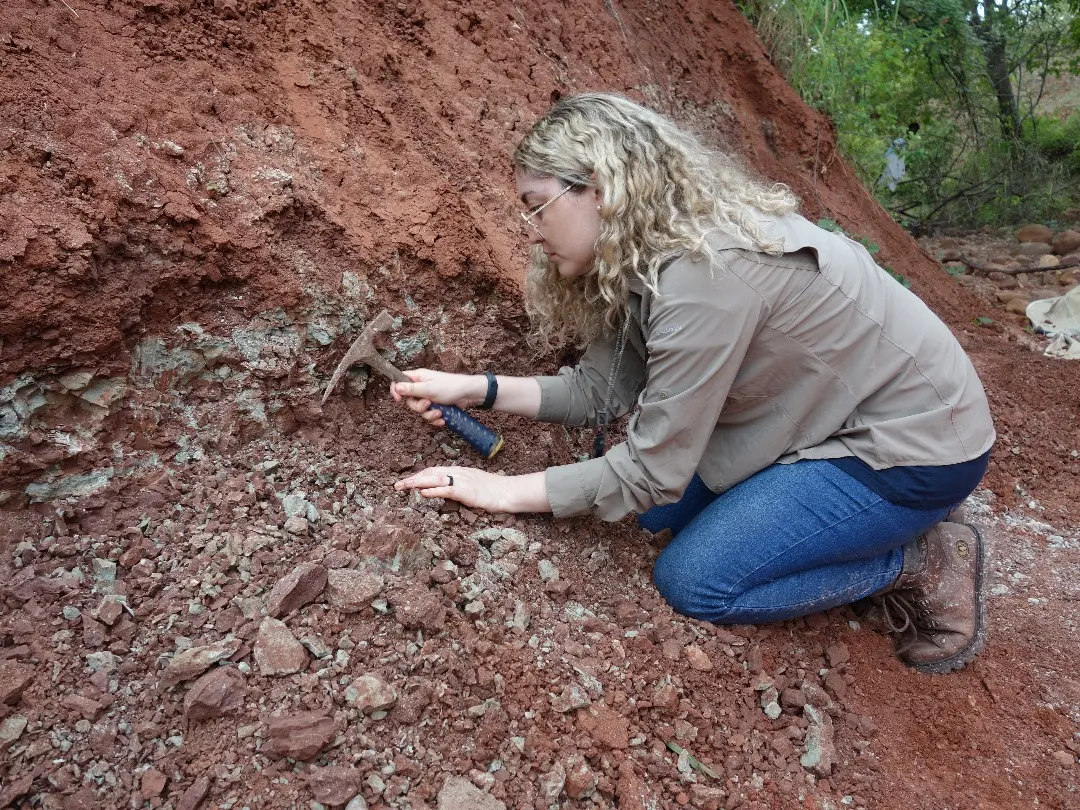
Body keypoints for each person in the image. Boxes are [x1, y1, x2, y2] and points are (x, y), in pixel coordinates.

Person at [391, 93, 996, 674]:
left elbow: (650, 471)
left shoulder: (704, 273)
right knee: (656, 520)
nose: (529, 228)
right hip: (818, 413)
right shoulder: (641, 258)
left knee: (696, 579)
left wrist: (497, 489)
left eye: (536, 204)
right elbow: (600, 391)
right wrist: (472, 389)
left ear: (599, 189)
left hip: (913, 445)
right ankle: (848, 523)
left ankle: (920, 559)